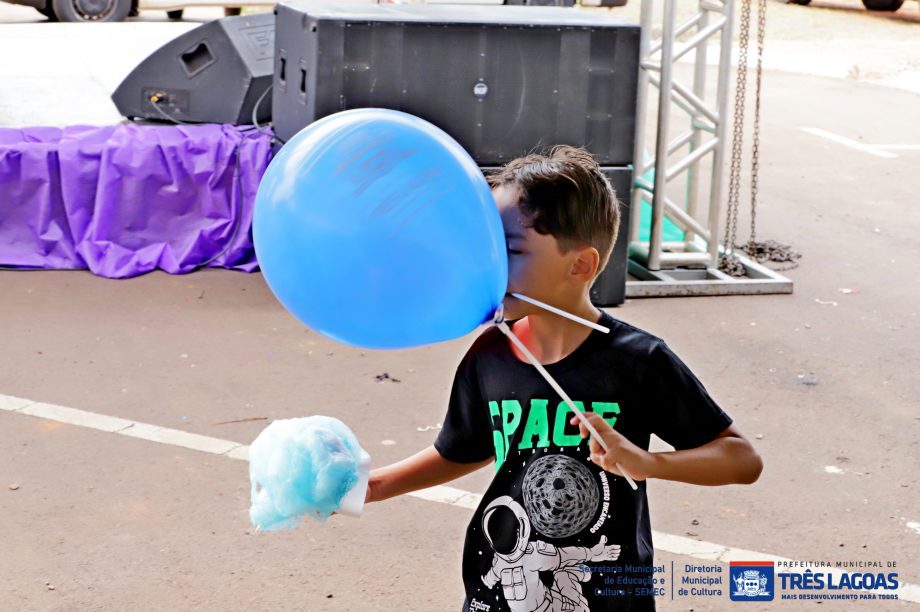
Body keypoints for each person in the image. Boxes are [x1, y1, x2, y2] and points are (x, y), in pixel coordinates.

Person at [364, 145, 763, 612]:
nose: (491, 266)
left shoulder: (638, 361)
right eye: (488, 248)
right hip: (500, 594)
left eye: (511, 250)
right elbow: (462, 448)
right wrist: (372, 486)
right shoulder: (489, 355)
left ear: (581, 265)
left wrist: (648, 462)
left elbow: (742, 459)